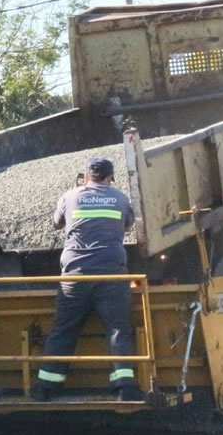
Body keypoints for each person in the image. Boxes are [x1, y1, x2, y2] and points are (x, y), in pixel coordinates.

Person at [31, 158, 145, 402]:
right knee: (118, 329)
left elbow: (56, 224)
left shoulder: (70, 195)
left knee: (63, 330)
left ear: (86, 176)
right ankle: (124, 387)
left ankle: (45, 387)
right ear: (110, 177)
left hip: (75, 274)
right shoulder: (120, 198)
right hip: (110, 274)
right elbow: (127, 228)